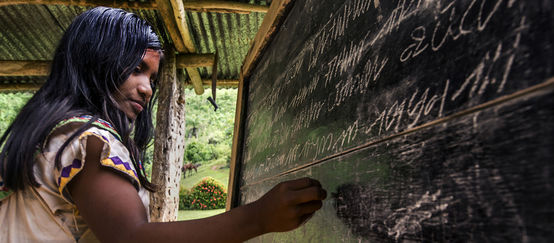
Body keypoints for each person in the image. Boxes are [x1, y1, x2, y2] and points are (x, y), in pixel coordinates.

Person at [0, 7, 326, 242]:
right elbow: (132, 237)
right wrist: (258, 218)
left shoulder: (55, 134)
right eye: (136, 69)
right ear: (94, 62)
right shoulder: (88, 140)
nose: (147, 88)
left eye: (152, 77)